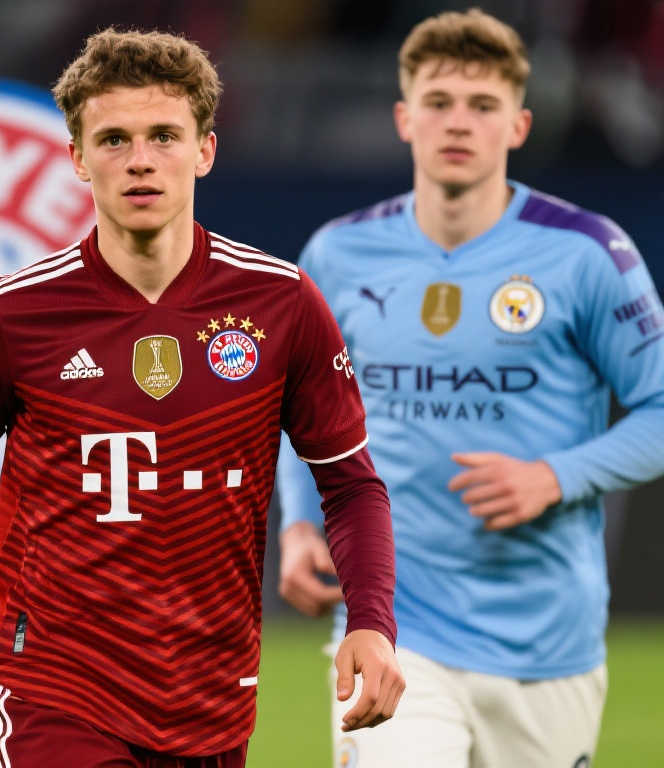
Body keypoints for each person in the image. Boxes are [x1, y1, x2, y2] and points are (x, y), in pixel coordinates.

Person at [0, 28, 405, 768]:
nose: (140, 159)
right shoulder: (11, 315)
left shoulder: (281, 304)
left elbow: (350, 484)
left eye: (164, 136)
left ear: (205, 151)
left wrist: (371, 622)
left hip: (211, 697)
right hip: (53, 689)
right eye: (114, 139)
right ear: (78, 159)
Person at [276, 8, 664, 768]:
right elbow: (304, 409)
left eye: (483, 105)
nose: (459, 122)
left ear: (518, 125)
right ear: (404, 118)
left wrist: (555, 475)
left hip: (546, 643)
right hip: (393, 629)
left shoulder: (586, 252)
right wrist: (298, 524)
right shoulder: (340, 254)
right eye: (439, 101)